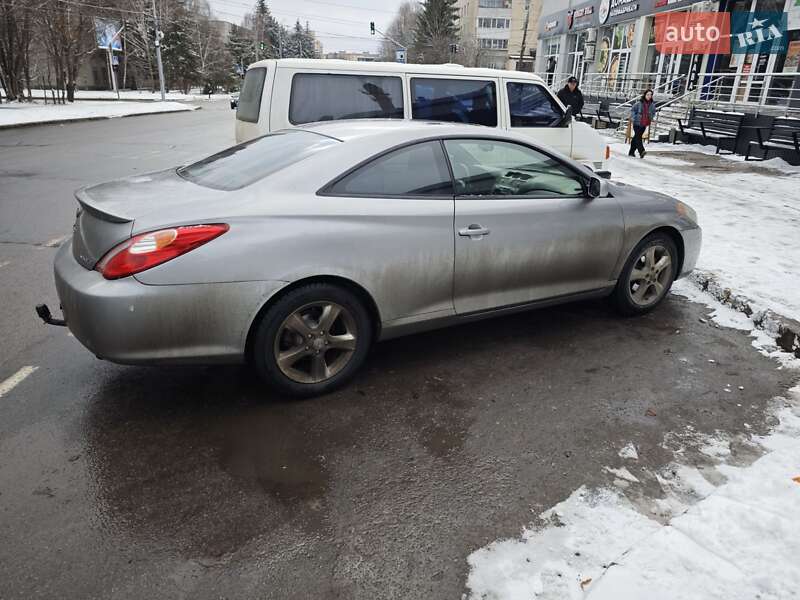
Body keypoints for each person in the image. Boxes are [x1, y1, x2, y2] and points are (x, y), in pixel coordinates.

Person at [629, 89, 655, 158]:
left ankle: (631, 152)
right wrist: (634, 117)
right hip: (637, 123)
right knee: (638, 137)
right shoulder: (639, 103)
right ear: (645, 95)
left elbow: (653, 113)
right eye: (648, 94)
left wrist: (651, 117)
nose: (649, 96)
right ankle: (641, 151)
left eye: (651, 95)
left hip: (644, 123)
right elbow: (633, 110)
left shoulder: (652, 105)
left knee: (635, 138)